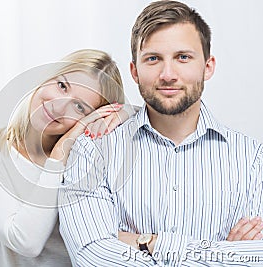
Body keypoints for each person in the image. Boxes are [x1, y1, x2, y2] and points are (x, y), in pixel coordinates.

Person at [58, 1, 263, 266]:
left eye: (183, 57)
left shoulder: (252, 159)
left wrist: (150, 242)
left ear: (208, 66)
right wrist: (223, 254)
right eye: (153, 59)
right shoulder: (93, 151)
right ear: (134, 71)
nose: (168, 75)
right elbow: (92, 256)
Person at [0, 49, 131, 267]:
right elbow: (26, 241)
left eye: (79, 107)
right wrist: (58, 155)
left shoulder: (86, 163)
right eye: (61, 86)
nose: (57, 106)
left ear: (93, 119)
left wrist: (127, 112)